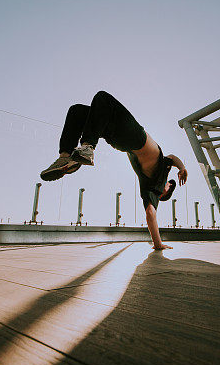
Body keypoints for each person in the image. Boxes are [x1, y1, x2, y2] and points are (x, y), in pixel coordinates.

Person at [41, 91, 187, 250]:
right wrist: (182, 167)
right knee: (77, 112)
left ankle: (87, 147)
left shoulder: (153, 189)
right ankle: (66, 157)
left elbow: (151, 215)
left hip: (134, 136)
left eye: (169, 187)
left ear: (164, 193)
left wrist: (158, 244)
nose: (169, 184)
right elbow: (172, 157)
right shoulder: (163, 169)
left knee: (103, 98)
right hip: (118, 139)